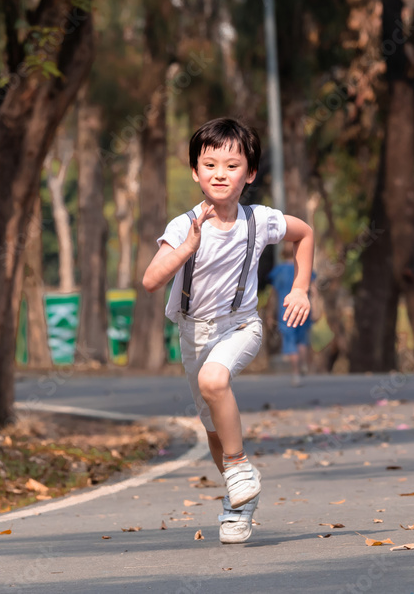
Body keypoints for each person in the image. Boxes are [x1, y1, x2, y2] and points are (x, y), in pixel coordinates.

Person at [141, 117, 313, 544]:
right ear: (196, 172)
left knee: (214, 380)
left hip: (241, 326)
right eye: (211, 164)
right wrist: (186, 249)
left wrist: (301, 289)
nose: (221, 173)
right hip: (193, 333)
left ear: (250, 174)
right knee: (215, 429)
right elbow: (150, 279)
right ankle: (239, 504)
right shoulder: (184, 226)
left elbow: (305, 233)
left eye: (232, 165)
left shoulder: (260, 220)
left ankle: (239, 469)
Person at [268, 241, 315, 387]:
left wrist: (270, 313)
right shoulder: (303, 269)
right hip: (303, 308)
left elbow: (273, 295)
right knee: (302, 340)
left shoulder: (278, 271)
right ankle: (303, 365)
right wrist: (316, 307)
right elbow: (314, 290)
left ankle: (295, 373)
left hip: (286, 310)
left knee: (290, 340)